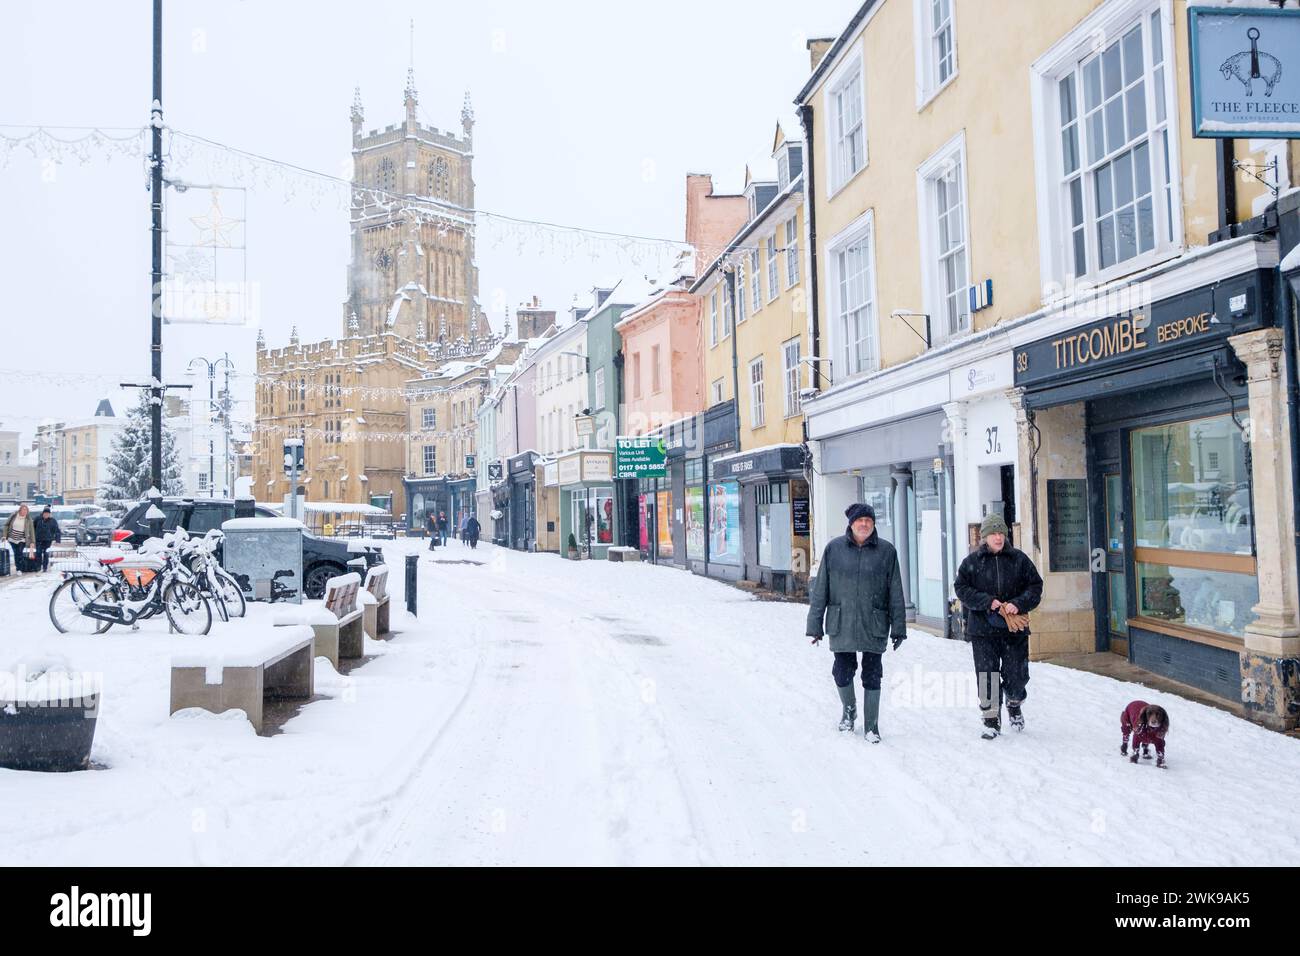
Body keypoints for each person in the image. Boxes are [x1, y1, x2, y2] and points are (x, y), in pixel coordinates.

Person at [805, 503, 907, 743]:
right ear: (851, 524)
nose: (864, 524)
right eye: (859, 521)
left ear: (873, 524)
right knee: (842, 671)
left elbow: (896, 592)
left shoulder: (886, 551)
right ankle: (849, 712)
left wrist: (899, 628)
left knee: (872, 674)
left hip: (874, 622)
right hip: (843, 622)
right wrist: (815, 625)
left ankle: (872, 726)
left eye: (868, 521)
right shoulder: (834, 549)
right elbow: (821, 590)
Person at [953, 513, 1043, 739]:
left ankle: (1014, 701)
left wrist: (1017, 603)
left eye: (1001, 533)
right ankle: (991, 720)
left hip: (1014, 630)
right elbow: (961, 589)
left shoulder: (1019, 560)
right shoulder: (971, 563)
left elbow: (1035, 587)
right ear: (984, 537)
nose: (998, 537)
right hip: (983, 630)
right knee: (987, 675)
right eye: (993, 533)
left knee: (1017, 675)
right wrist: (987, 602)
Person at [1120, 700, 1169, 769]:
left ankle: (1146, 750)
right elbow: (1136, 739)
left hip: (1148, 722)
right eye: (1150, 714)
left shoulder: (1160, 730)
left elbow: (1160, 744)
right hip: (1130, 709)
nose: (1153, 720)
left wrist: (1160, 760)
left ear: (1163, 717)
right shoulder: (1140, 723)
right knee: (1127, 730)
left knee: (1153, 737)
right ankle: (1125, 746)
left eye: (1158, 714)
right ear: (1145, 716)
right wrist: (1135, 755)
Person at [3, 504, 35, 573]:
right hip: (12, 539)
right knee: (16, 553)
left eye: (26, 510)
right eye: (23, 510)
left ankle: (19, 569)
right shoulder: (14, 516)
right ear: (20, 510)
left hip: (22, 539)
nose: (25, 511)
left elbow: (31, 531)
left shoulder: (28, 519)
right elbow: (6, 525)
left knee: (19, 552)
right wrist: (4, 535)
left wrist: (32, 541)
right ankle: (19, 566)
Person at [33, 506, 62, 572]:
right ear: (43, 513)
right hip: (38, 539)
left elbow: (57, 530)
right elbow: (33, 528)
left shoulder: (53, 521)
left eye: (47, 513)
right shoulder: (37, 519)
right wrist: (32, 538)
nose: (46, 514)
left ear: (49, 514)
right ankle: (38, 567)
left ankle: (45, 567)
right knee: (38, 553)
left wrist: (57, 540)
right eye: (45, 513)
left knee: (46, 554)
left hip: (48, 540)